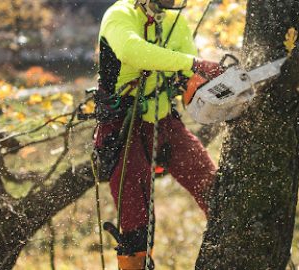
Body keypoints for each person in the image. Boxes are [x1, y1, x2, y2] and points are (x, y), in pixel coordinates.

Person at [92, 0, 222, 269]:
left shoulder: (176, 22)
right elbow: (132, 51)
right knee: (135, 217)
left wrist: (205, 81)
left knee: (210, 184)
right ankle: (136, 262)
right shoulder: (120, 15)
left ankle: (232, 242)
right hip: (122, 126)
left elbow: (188, 71)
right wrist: (194, 63)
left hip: (163, 119)